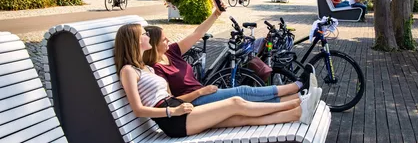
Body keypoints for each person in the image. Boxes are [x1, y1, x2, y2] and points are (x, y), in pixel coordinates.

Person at [114, 23, 323, 138]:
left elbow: (169, 96)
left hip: (180, 110)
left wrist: (182, 104)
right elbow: (139, 109)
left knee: (239, 118)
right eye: (144, 35)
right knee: (237, 102)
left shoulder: (148, 68)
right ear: (134, 41)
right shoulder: (128, 71)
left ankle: (295, 114)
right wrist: (173, 111)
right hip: (173, 120)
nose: (147, 38)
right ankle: (298, 102)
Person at [143, 24, 318, 106]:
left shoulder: (171, 52)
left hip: (203, 93)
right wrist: (201, 91)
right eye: (163, 39)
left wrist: (216, 14)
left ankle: (300, 98)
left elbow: (197, 33)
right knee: (243, 92)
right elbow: (171, 101)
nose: (168, 40)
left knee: (248, 98)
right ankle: (298, 85)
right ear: (152, 44)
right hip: (196, 101)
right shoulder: (156, 69)